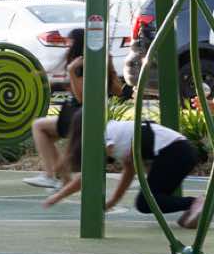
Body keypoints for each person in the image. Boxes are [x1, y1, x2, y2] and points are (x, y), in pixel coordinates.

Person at [43, 104, 207, 228]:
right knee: (150, 200)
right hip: (182, 152)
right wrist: (114, 200)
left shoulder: (105, 137)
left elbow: (89, 175)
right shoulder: (114, 132)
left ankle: (196, 202)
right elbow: (130, 168)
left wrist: (58, 196)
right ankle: (194, 205)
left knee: (145, 202)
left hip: (176, 152)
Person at [28, 29, 127, 190]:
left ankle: (51, 176)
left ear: (78, 44)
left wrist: (107, 68)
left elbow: (85, 98)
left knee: (39, 127)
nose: (67, 47)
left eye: (70, 43)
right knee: (45, 135)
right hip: (75, 113)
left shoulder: (81, 65)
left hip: (80, 116)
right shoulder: (87, 62)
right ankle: (62, 178)